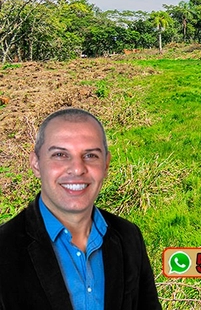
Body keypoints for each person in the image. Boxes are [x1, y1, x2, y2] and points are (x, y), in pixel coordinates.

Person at [0, 108, 162, 310]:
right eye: (60, 154)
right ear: (36, 163)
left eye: (91, 155)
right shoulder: (4, 248)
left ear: (106, 164)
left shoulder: (129, 237)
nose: (77, 169)